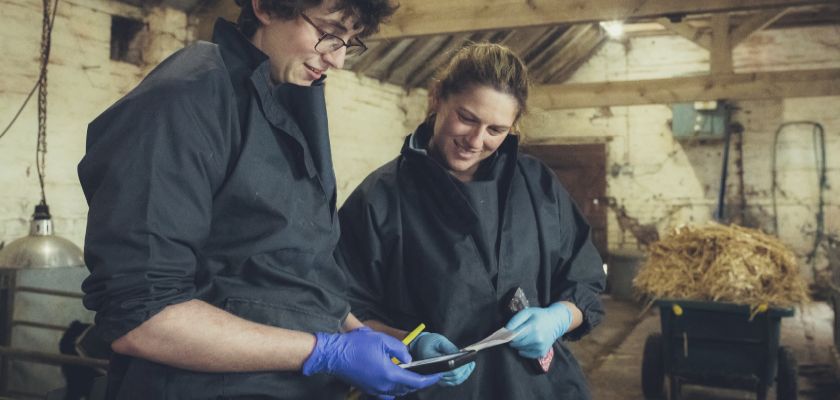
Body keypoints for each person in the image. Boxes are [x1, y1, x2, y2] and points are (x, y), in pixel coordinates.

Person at [77, 0, 441, 398]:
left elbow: (286, 268)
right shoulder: (184, 100)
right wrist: (326, 351)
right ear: (267, 7)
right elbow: (142, 318)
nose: (337, 59)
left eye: (350, 41)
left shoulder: (284, 97)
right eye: (329, 32)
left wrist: (363, 333)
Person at [336, 42, 606, 399]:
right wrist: (411, 342)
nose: (476, 141)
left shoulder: (537, 185)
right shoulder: (381, 198)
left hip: (539, 388)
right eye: (467, 118)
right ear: (436, 98)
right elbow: (341, 305)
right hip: (433, 390)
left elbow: (584, 281)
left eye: (496, 130)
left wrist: (557, 317)